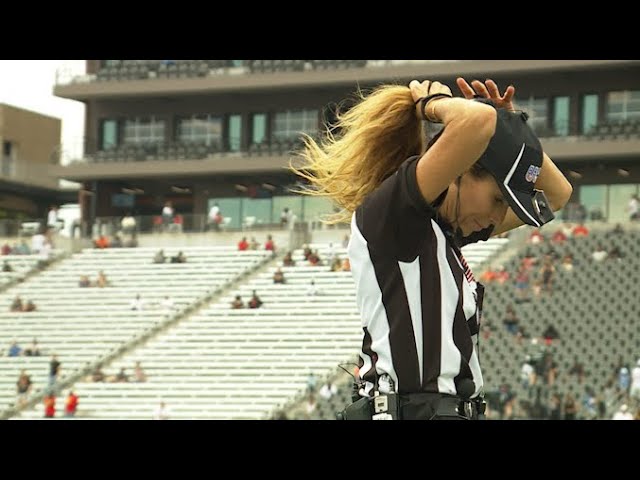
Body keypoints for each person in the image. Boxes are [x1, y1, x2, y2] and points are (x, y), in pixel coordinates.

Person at [291, 78, 572, 420]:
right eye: (498, 199)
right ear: (460, 168)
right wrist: (433, 104)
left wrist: (513, 135)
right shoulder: (395, 217)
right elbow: (478, 124)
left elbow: (557, 194)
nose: (499, 216)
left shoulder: (443, 230)